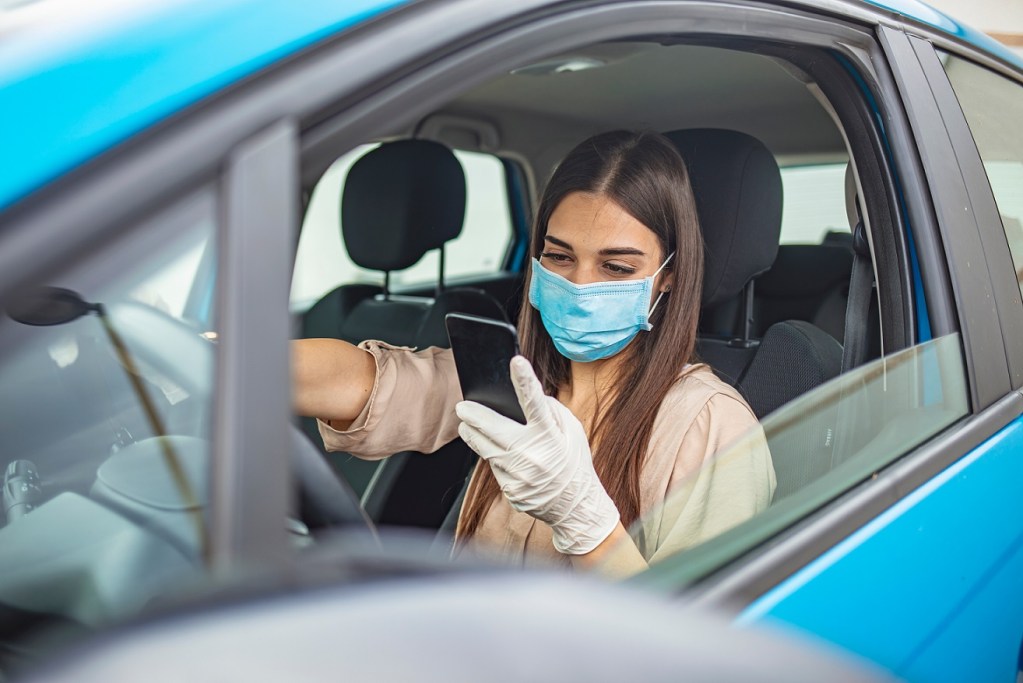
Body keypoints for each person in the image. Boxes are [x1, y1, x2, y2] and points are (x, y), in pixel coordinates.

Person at [293, 130, 775, 577]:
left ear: (667, 276)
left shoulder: (711, 425)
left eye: (616, 267)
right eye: (560, 257)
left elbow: (689, 629)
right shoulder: (514, 376)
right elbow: (369, 381)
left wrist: (584, 519)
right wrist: (247, 366)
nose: (579, 285)